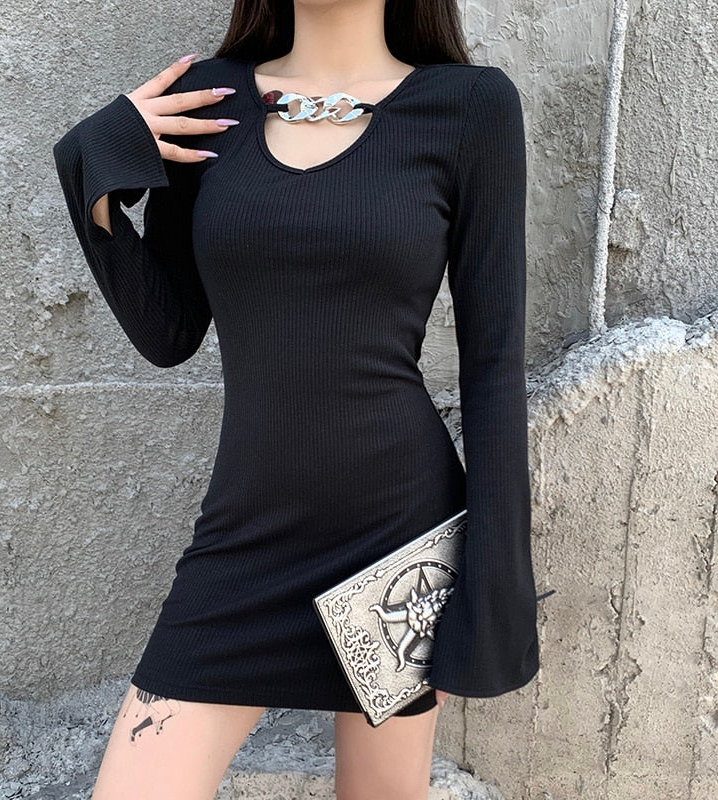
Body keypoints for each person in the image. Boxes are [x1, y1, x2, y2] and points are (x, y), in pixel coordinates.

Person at [52, 1, 540, 798]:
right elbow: (168, 332)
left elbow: (493, 365)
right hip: (243, 541)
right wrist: (92, 163)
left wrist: (490, 598)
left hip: (398, 543)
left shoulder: (470, 106)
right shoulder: (211, 101)